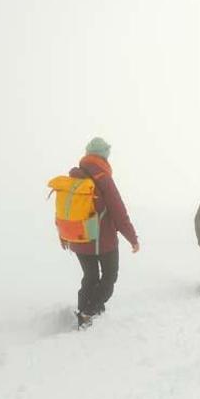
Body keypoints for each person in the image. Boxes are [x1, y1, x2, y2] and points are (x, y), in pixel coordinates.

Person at [63, 137, 139, 327]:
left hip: (79, 239)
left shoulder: (74, 177)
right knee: (109, 277)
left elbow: (64, 210)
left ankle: (85, 310)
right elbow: (118, 211)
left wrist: (63, 236)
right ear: (104, 156)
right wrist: (132, 238)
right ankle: (89, 312)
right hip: (103, 242)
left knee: (89, 277)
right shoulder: (103, 177)